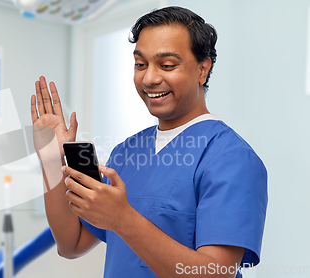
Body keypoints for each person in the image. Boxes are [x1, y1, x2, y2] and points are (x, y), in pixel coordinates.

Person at [30, 6, 267, 278]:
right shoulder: (126, 152)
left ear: (203, 69)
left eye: (167, 65)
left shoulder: (231, 158)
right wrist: (50, 160)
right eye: (140, 64)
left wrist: (123, 219)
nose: (150, 78)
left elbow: (216, 273)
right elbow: (71, 244)